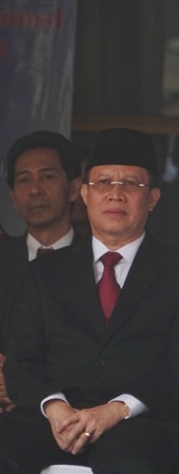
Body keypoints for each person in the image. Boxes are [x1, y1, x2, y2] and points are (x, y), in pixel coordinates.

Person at [0, 127, 179, 474]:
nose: (116, 194)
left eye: (130, 184)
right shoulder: (45, 273)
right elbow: (21, 365)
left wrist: (116, 410)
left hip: (139, 423)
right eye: (104, 183)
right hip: (54, 418)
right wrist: (55, 407)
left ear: (151, 198)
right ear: (84, 194)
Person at [0, 130, 83, 411]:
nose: (35, 189)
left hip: (78, 409)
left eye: (47, 177)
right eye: (24, 180)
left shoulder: (102, 262)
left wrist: (25, 386)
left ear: (74, 188)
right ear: (12, 196)